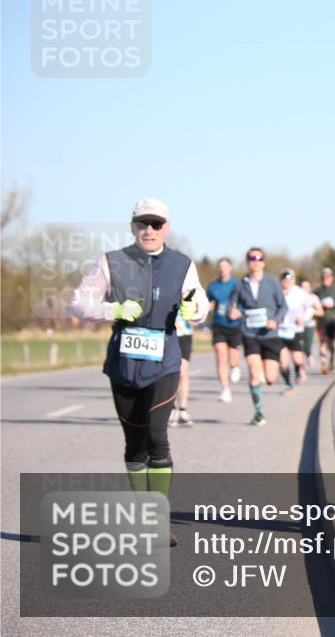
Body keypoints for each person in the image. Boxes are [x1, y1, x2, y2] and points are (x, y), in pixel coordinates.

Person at [70, 198, 209, 546]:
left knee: (157, 436)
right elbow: (78, 302)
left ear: (167, 228)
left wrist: (194, 308)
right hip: (124, 364)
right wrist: (111, 308)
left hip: (165, 361)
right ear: (132, 227)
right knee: (134, 445)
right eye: (142, 224)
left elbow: (201, 302)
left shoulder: (181, 264)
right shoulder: (111, 262)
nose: (149, 230)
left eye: (156, 224)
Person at [228, 247, 287, 425]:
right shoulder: (240, 284)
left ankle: (267, 377)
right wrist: (233, 313)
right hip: (250, 333)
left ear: (264, 262)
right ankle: (259, 412)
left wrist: (275, 321)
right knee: (254, 372)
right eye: (252, 258)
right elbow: (233, 306)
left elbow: (283, 307)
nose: (256, 261)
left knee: (270, 378)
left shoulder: (272, 282)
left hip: (270, 334)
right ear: (247, 262)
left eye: (259, 258)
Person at [206, 258, 242, 403]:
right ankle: (225, 389)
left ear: (230, 268)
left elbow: (246, 302)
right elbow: (207, 303)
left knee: (233, 358)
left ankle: (235, 366)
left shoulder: (238, 284)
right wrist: (208, 307)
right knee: (221, 356)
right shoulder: (213, 286)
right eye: (220, 266)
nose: (222, 269)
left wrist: (239, 312)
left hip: (234, 325)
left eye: (225, 266)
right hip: (219, 324)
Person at [276, 268, 311, 393]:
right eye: (285, 279)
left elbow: (309, 308)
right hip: (280, 330)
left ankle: (298, 368)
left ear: (294, 280)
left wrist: (304, 318)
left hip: (295, 329)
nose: (287, 281)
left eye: (290, 279)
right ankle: (288, 384)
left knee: (297, 358)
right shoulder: (276, 292)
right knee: (282, 359)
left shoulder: (300, 293)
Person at [168, 314, 194, 427]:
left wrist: (195, 317)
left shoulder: (190, 295)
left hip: (184, 334)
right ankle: (171, 409)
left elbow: (199, 315)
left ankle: (183, 410)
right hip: (167, 333)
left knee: (182, 373)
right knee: (169, 373)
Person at [314, 267, 335, 374]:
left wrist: (334, 304)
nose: (326, 278)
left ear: (332, 277)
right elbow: (313, 303)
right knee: (322, 342)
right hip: (321, 320)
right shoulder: (318, 290)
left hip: (332, 320)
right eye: (324, 276)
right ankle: (323, 364)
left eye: (328, 276)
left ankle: (332, 358)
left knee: (330, 343)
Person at [300, 278, 323, 371]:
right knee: (299, 346)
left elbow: (320, 312)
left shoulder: (313, 298)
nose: (304, 289)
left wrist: (311, 311)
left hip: (310, 324)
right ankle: (300, 369)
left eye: (306, 287)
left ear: (310, 288)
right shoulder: (296, 297)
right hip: (298, 325)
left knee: (308, 345)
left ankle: (309, 355)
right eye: (302, 287)